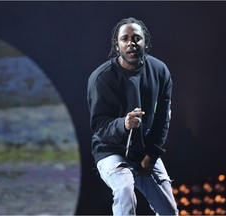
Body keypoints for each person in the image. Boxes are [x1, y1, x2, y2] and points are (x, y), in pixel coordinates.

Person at [87, 17, 178, 215]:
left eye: (137, 38)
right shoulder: (101, 78)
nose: (131, 43)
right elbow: (99, 126)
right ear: (117, 45)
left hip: (145, 150)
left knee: (169, 210)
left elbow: (163, 119)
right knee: (125, 188)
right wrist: (124, 124)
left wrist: (151, 155)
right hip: (110, 150)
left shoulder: (160, 71)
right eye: (125, 39)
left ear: (146, 42)